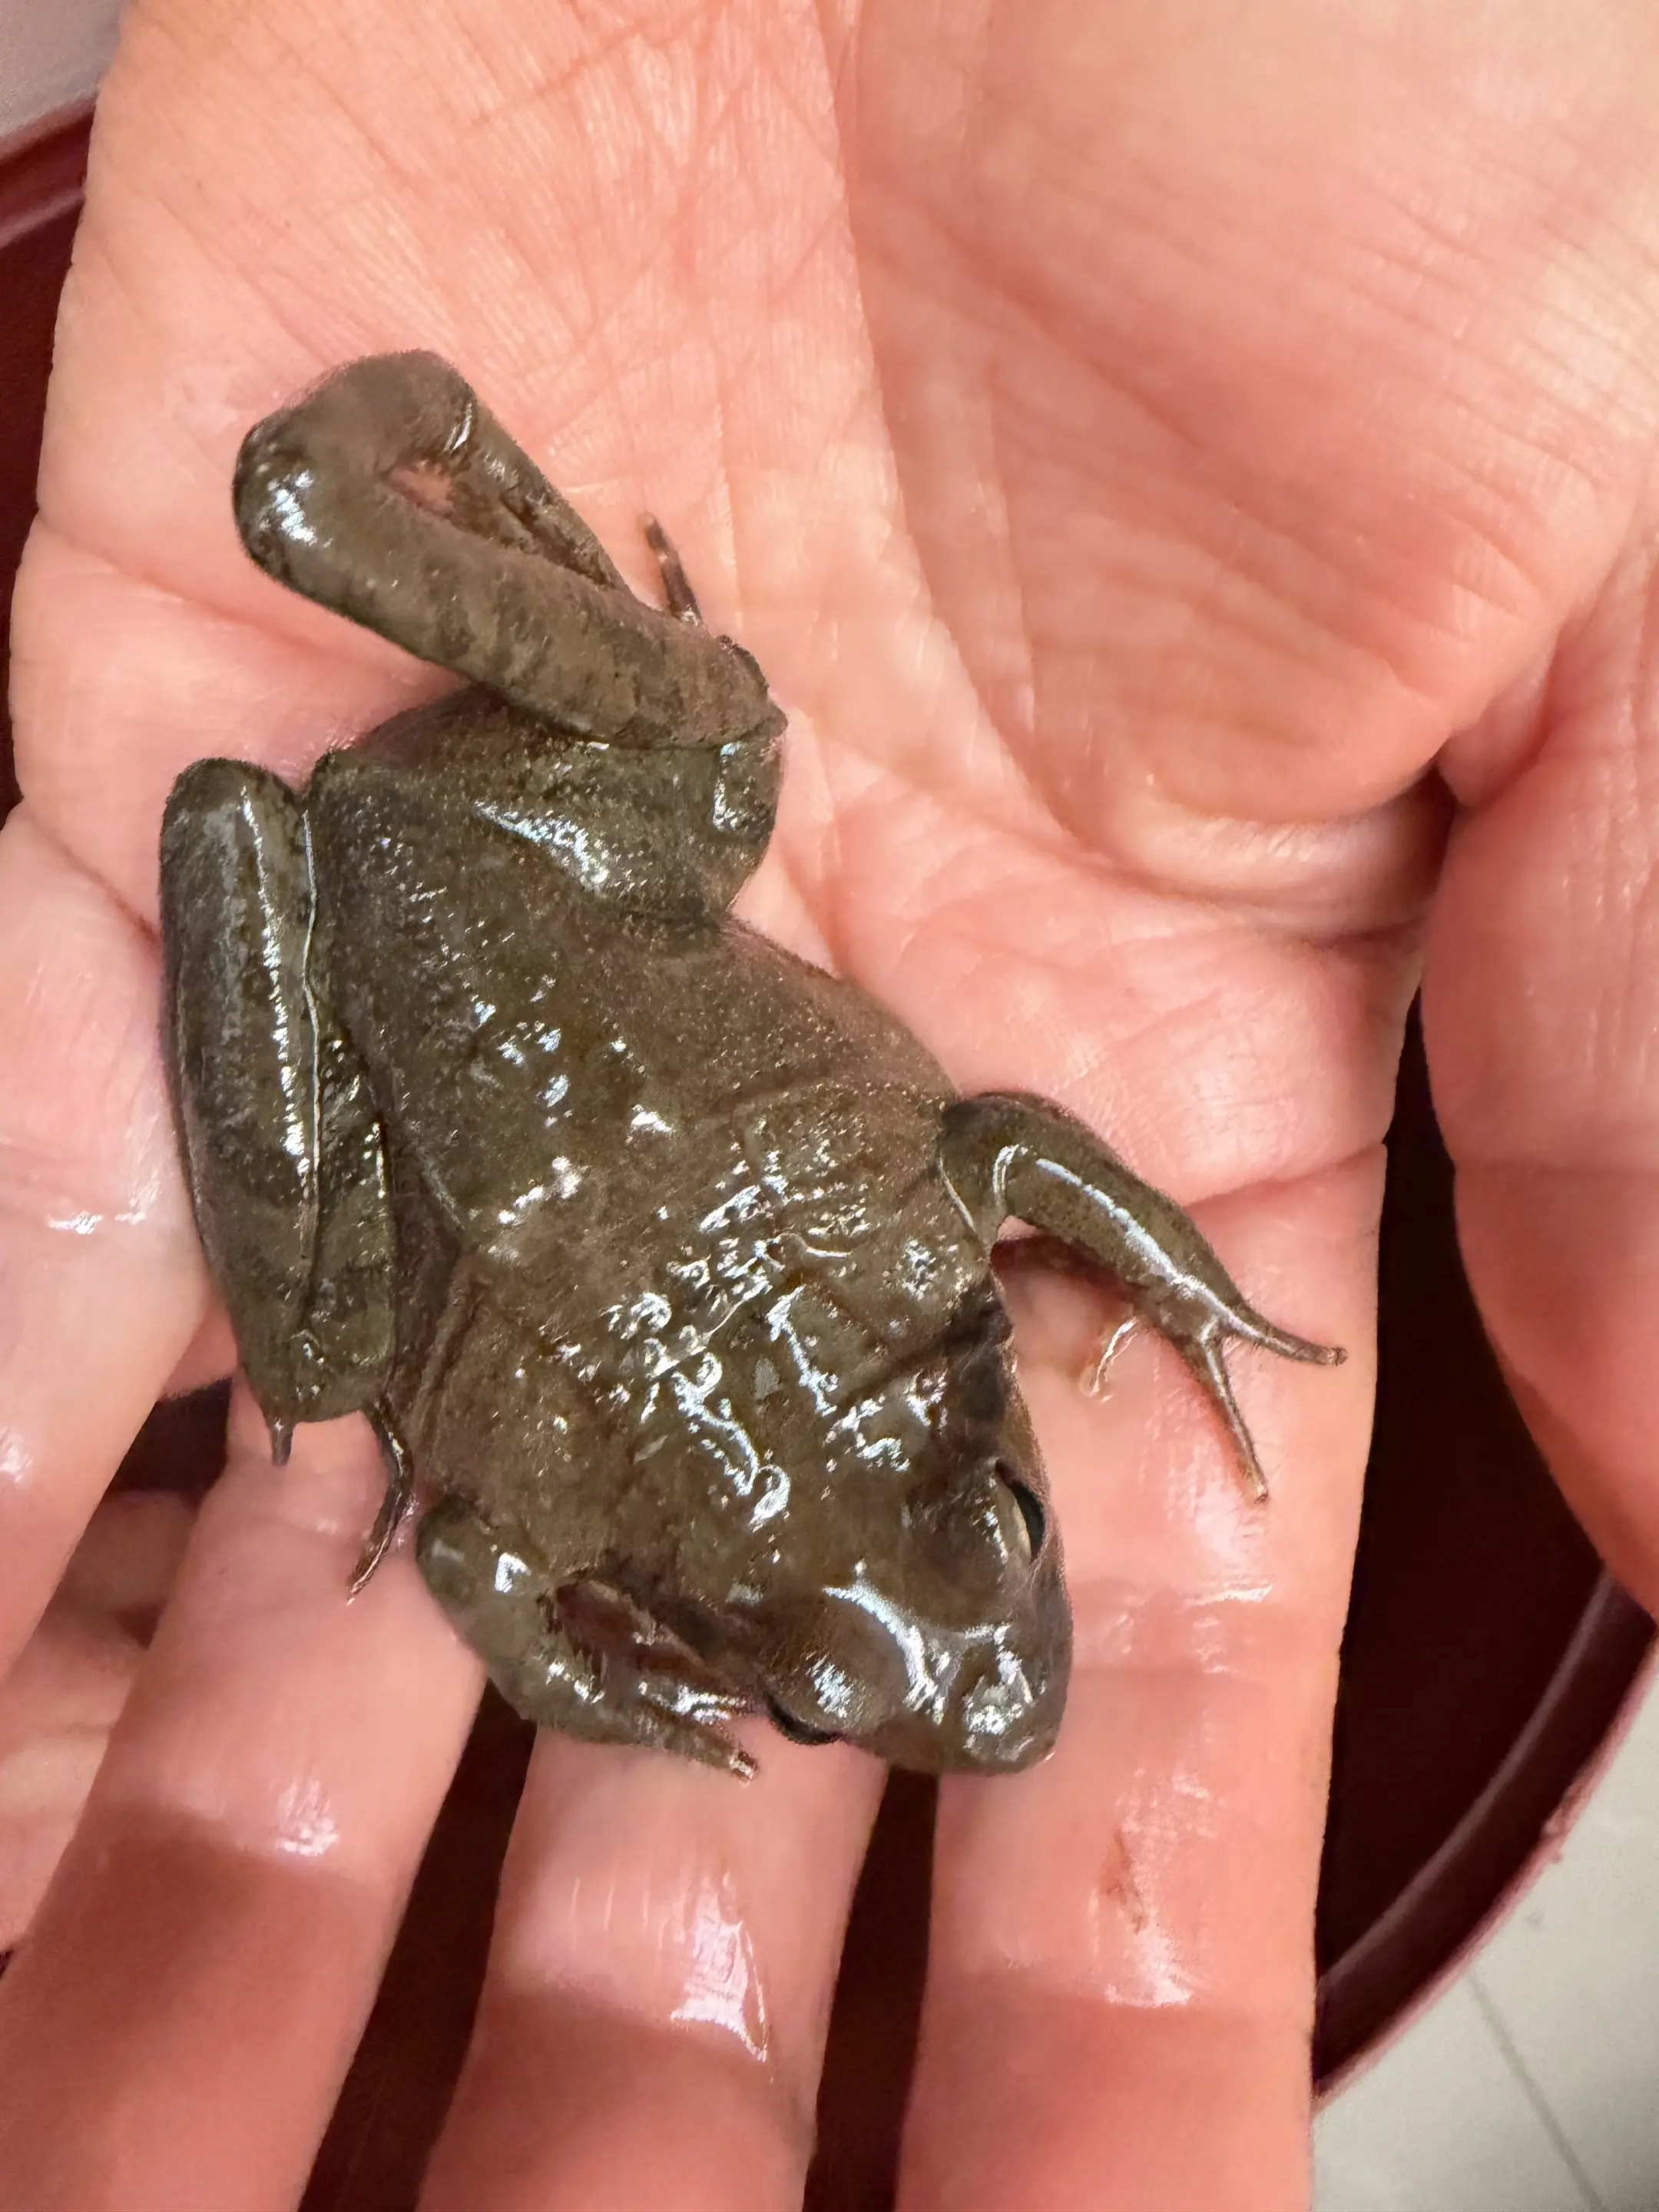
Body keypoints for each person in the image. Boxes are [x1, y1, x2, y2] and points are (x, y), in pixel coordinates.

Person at [0, 0, 1656, 2202]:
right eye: (1012, 1534)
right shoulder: (692, 1462)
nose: (1006, 1687)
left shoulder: (892, 1289)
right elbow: (495, 1546)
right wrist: (604, 1683)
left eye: (813, 1697)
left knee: (383, 1247)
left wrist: (1177, 1277)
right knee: (332, 1339)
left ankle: (348, 525)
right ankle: (360, 506)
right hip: (530, 874)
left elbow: (1006, 1162)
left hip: (546, 874)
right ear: (978, 1456)